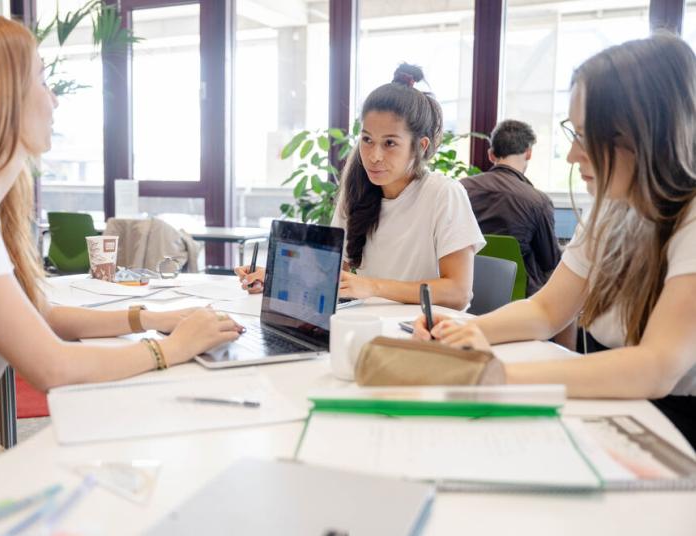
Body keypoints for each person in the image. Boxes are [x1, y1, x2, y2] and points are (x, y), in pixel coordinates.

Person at [0, 13, 242, 501]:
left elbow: (44, 315)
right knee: (135, 494)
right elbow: (51, 368)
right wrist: (173, 347)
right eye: (40, 79)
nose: (53, 99)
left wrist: (155, 316)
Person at [414, 34, 696, 447]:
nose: (572, 156)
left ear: (645, 135)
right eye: (575, 133)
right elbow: (547, 309)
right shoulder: (612, 211)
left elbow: (655, 367)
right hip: (614, 408)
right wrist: (460, 332)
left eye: (586, 136)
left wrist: (495, 374)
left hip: (674, 432)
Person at [237, 64, 484, 307]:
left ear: (420, 147)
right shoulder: (356, 192)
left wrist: (372, 286)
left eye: (389, 143)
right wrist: (276, 278)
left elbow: (458, 292)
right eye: (367, 140)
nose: (374, 155)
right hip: (367, 326)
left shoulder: (444, 194)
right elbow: (332, 278)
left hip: (422, 333)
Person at [462, 119, 560, 296]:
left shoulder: (460, 189)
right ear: (528, 153)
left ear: (491, 155)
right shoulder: (538, 201)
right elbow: (550, 262)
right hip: (517, 301)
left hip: (464, 292)